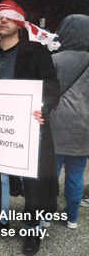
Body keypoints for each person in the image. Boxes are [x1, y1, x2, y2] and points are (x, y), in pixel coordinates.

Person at [0, 0, 60, 255]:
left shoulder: (37, 52)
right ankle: (1, 219)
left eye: (8, 17)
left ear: (19, 22)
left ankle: (32, 227)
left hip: (31, 129)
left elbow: (52, 86)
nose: (3, 20)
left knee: (33, 179)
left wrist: (44, 108)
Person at [49, 14, 89, 228]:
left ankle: (45, 217)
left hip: (55, 126)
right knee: (75, 176)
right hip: (83, 129)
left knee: (50, 174)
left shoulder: (55, 59)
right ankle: (72, 218)